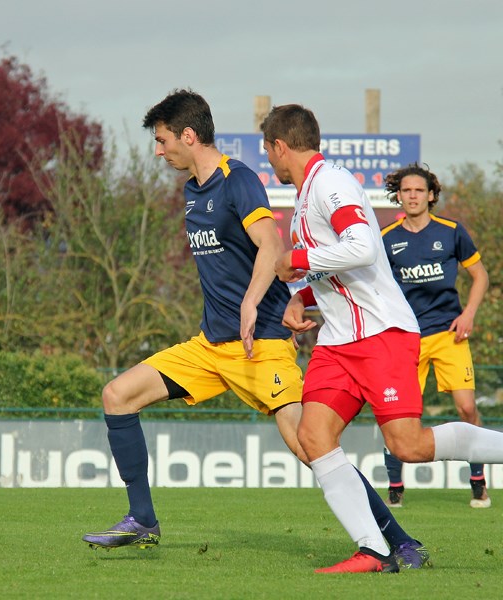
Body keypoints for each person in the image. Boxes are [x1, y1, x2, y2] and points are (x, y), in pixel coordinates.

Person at [82, 90, 429, 571]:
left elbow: (270, 242)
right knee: (117, 395)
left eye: (162, 141)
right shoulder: (192, 191)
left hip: (260, 345)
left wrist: (251, 302)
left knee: (314, 447)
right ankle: (142, 521)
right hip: (210, 346)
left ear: (188, 135)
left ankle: (402, 541)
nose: (158, 151)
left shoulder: (237, 180)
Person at [266, 103, 503, 573]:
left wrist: (295, 258)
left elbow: (361, 248)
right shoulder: (309, 190)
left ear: (280, 146)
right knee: (314, 437)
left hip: (381, 334)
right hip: (338, 341)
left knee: (408, 447)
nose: (270, 162)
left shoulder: (329, 182)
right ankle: (373, 550)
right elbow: (338, 268)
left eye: (269, 152)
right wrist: (302, 299)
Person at [380, 164, 490, 509]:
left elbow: (480, 276)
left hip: (449, 335)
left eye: (418, 190)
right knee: (401, 417)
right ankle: (395, 486)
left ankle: (478, 480)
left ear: (430, 196)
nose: (412, 196)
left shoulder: (452, 232)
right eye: (406, 190)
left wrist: (468, 314)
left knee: (467, 408)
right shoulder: (387, 239)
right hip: (406, 339)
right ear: (398, 195)